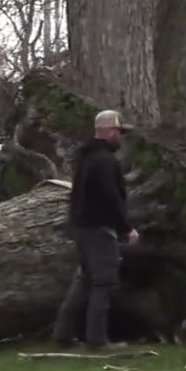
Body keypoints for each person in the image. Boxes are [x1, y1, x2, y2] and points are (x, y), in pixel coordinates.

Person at [52, 110, 139, 351]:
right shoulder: (105, 161)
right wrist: (125, 229)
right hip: (100, 229)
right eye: (119, 132)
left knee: (84, 280)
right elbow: (112, 198)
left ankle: (63, 333)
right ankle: (97, 339)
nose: (120, 137)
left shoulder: (86, 159)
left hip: (81, 228)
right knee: (104, 282)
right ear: (109, 131)